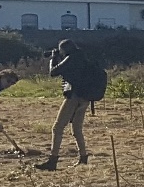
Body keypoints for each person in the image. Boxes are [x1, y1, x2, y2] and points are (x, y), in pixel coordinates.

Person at [38, 39, 106, 171]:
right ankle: (83, 157)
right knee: (76, 128)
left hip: (75, 96)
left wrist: (53, 58)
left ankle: (53, 160)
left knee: (57, 127)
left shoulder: (71, 58)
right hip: (86, 97)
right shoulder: (83, 57)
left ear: (64, 49)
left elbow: (53, 72)